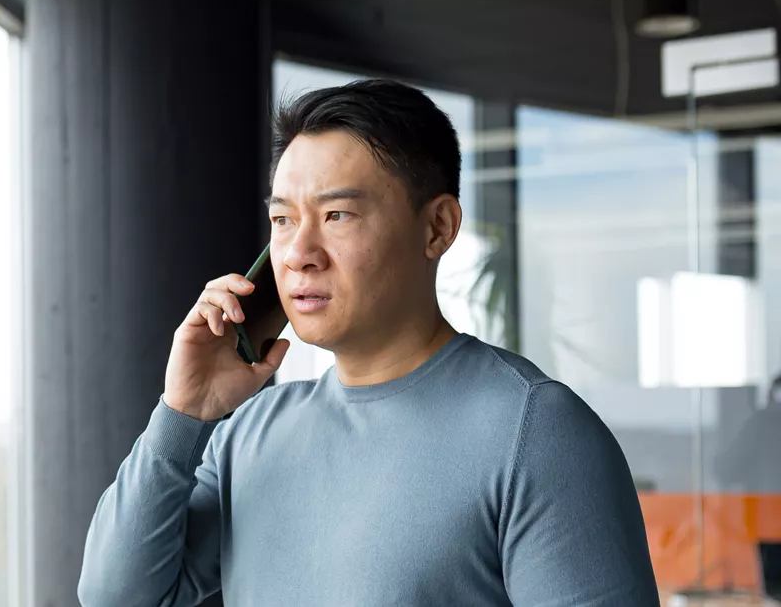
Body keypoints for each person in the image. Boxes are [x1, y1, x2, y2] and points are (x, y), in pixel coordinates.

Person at [77, 79, 659, 606]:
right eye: (283, 220)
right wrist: (182, 414)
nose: (299, 253)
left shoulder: (537, 432)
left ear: (438, 228)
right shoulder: (251, 434)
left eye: (337, 215)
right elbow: (116, 595)